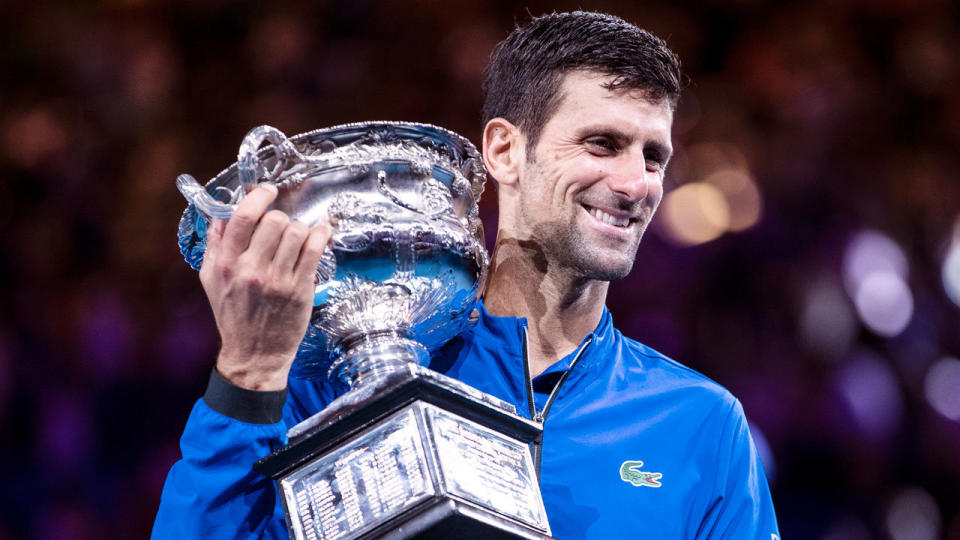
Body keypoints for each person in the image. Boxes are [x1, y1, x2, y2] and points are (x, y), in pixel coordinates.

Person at [154, 11, 780, 539]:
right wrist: (247, 373)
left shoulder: (701, 425)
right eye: (601, 144)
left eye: (654, 156)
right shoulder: (340, 379)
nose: (635, 184)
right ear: (505, 150)